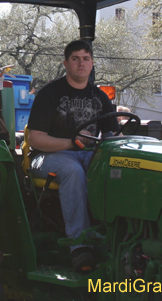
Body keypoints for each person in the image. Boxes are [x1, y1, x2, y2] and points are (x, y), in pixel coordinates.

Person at [27, 40, 118, 273]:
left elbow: (110, 135)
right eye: (75, 58)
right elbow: (36, 138)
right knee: (73, 171)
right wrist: (71, 143)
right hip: (47, 156)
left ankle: (116, 237)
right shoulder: (50, 94)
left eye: (86, 58)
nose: (81, 63)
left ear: (92, 64)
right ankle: (80, 246)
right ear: (66, 63)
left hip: (88, 154)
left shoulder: (100, 97)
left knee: (117, 168)